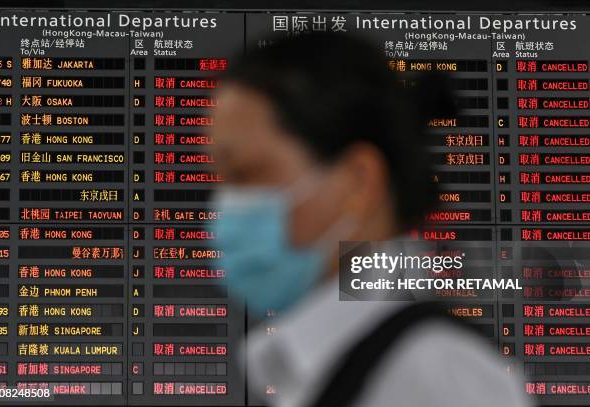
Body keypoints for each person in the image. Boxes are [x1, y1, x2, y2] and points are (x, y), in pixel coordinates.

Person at [206, 32, 532, 407]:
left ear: (358, 181)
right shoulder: (320, 367)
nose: (226, 207)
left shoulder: (434, 379)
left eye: (247, 174)